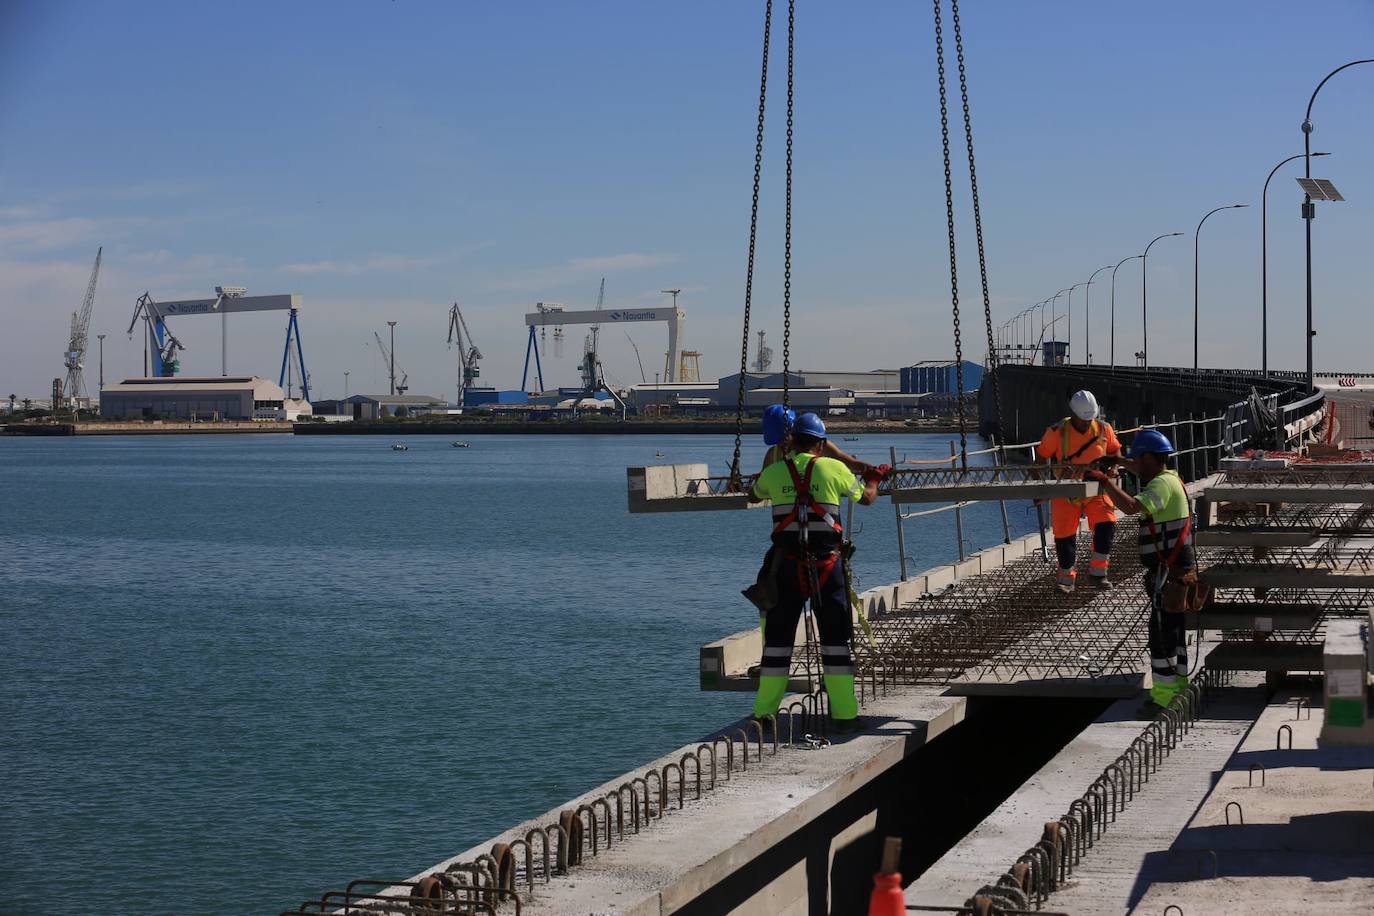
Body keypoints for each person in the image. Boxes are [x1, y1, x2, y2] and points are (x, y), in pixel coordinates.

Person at [748, 412, 886, 734]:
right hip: (827, 567)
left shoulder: (775, 470)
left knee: (777, 645)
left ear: (791, 441)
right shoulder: (834, 468)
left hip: (785, 568)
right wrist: (874, 479)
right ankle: (844, 715)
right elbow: (866, 498)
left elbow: (753, 493)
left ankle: (764, 715)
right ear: (821, 444)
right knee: (836, 643)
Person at [1086, 429, 1195, 717]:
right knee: (1172, 633)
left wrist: (1106, 481)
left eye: (1139, 459)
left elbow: (1131, 506)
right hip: (1173, 573)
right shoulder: (1171, 477)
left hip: (1170, 575)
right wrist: (1118, 460)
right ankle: (1178, 689)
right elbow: (1138, 467)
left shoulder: (1160, 486)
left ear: (1150, 457)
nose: (1136, 464)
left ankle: (1164, 699)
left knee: (1161, 636)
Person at [742, 405, 874, 614]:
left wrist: (871, 470)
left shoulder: (819, 445)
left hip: (817, 537)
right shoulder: (773, 453)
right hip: (791, 534)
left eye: (785, 438)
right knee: (769, 576)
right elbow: (763, 483)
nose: (783, 444)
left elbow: (849, 463)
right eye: (778, 440)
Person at [1037, 390, 1124, 593]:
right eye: (1083, 420)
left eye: (1089, 419)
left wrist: (1114, 467)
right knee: (1064, 535)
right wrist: (1040, 486)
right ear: (1073, 414)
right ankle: (1066, 580)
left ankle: (1098, 574)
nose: (1086, 423)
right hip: (1066, 487)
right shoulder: (1057, 432)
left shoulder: (1103, 428)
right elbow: (1040, 459)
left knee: (1107, 525)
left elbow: (1115, 450)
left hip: (1097, 487)